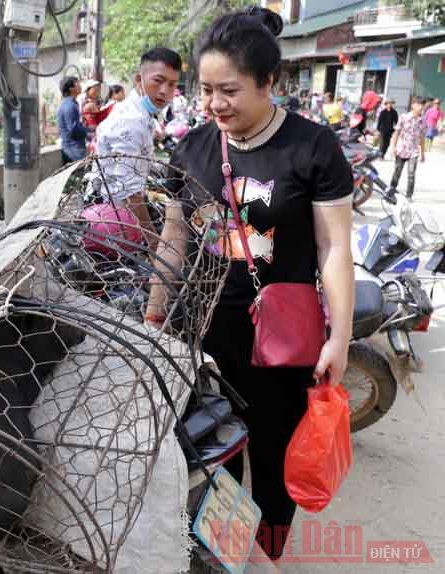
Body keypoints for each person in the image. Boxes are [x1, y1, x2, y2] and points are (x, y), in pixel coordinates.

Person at [145, 6, 354, 561]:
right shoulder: (191, 148)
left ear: (269, 82)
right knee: (212, 457)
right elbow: (173, 238)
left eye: (230, 90)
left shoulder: (312, 149)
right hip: (202, 337)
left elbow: (334, 248)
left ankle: (269, 554)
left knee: (272, 455)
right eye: (207, 89)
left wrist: (340, 336)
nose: (215, 103)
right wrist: (154, 313)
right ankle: (227, 557)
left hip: (279, 345)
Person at [86, 47, 181, 249]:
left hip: (114, 213)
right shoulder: (132, 120)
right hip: (112, 222)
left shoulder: (139, 113)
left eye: (172, 84)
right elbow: (129, 192)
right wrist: (154, 242)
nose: (164, 91)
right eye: (158, 80)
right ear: (139, 79)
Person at [389, 96, 427, 199]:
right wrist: (393, 147)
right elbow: (396, 133)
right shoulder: (404, 117)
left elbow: (422, 138)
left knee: (411, 174)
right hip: (401, 149)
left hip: (413, 151)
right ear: (413, 105)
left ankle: (409, 196)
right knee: (397, 171)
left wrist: (422, 154)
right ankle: (391, 190)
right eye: (418, 105)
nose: (420, 107)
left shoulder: (423, 121)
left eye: (422, 105)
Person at [58, 76, 88, 164]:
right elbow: (74, 131)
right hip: (73, 151)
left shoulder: (70, 103)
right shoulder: (70, 105)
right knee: (78, 176)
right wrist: (88, 130)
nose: (80, 85)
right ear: (71, 88)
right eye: (77, 83)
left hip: (72, 149)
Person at [81, 79, 113, 150]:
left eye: (98, 89)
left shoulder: (96, 102)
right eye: (95, 89)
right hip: (92, 135)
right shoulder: (88, 103)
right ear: (88, 90)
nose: (97, 92)